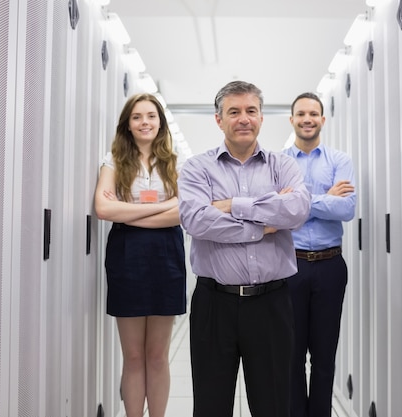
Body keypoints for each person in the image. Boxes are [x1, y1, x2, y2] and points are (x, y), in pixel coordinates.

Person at [177, 80, 311, 417]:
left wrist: (230, 205)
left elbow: (296, 210)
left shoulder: (282, 166)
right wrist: (263, 224)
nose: (243, 118)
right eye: (233, 111)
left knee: (274, 405)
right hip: (214, 304)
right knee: (211, 404)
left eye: (251, 111)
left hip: (271, 304)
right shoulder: (196, 168)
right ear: (218, 119)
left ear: (262, 118)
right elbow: (196, 220)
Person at [94, 93, 186, 417]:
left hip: (167, 255)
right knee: (133, 355)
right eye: (137, 117)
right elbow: (103, 209)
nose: (144, 122)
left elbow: (183, 213)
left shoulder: (175, 162)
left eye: (150, 116)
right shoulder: (114, 160)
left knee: (157, 355)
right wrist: (165, 205)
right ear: (128, 124)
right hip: (126, 254)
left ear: (160, 122)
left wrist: (129, 210)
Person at [283, 92, 357, 417]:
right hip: (290, 266)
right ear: (292, 120)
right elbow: (278, 211)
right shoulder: (280, 162)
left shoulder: (340, 161)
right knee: (292, 356)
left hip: (330, 267)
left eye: (313, 114)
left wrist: (302, 201)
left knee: (324, 357)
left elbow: (347, 208)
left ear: (322, 120)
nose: (307, 119)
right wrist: (324, 198)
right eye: (301, 114)